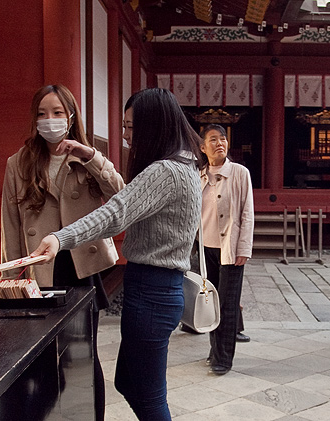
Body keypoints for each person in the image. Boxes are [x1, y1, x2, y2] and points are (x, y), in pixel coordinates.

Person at [31, 88, 204, 420]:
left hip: (152, 292)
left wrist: (60, 238)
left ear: (153, 125)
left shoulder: (165, 171)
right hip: (157, 289)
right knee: (129, 382)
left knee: (149, 395)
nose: (126, 135)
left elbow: (115, 213)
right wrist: (92, 156)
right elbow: (129, 202)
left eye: (130, 127)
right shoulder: (184, 164)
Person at [0, 84, 124, 420]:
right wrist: (12, 279)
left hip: (83, 265)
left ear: (70, 117)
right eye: (42, 114)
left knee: (85, 353)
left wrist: (91, 156)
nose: (49, 120)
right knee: (42, 358)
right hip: (41, 269)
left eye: (57, 112)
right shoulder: (19, 162)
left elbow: (122, 195)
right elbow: (11, 225)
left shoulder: (85, 157)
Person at [197, 124, 254, 375]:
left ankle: (224, 358)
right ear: (202, 147)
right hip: (205, 248)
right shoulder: (198, 175)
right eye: (213, 139)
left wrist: (244, 247)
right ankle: (214, 349)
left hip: (229, 249)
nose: (220, 143)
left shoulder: (240, 173)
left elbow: (247, 213)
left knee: (228, 304)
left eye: (223, 139)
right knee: (210, 303)